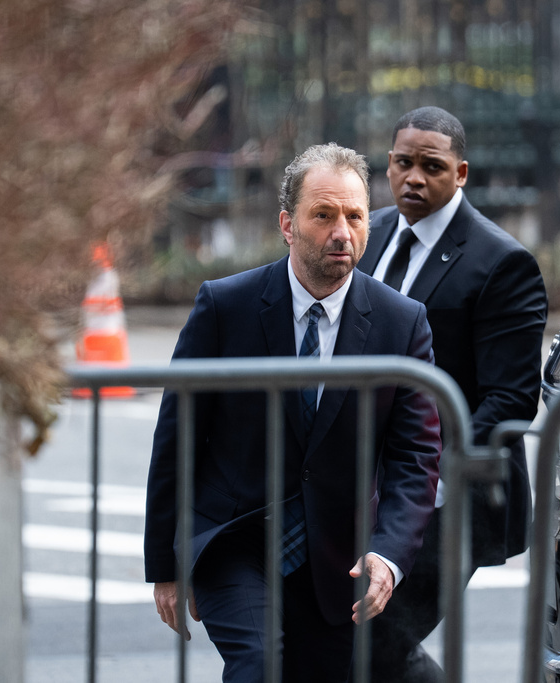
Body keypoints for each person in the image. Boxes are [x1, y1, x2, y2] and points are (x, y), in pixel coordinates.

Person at [143, 142, 441, 683]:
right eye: (323, 215)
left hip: (336, 556)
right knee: (260, 665)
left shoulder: (402, 323)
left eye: (354, 216)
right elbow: (177, 439)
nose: (341, 232)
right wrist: (165, 566)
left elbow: (415, 459)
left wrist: (389, 554)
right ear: (287, 223)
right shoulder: (224, 306)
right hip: (234, 539)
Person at [356, 106, 548, 681]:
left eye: (431, 166)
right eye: (402, 163)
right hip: (368, 484)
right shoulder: (370, 233)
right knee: (355, 643)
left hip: (451, 496)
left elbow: (510, 399)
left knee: (377, 642)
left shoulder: (501, 262)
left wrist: (424, 472)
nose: (414, 177)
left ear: (460, 173)